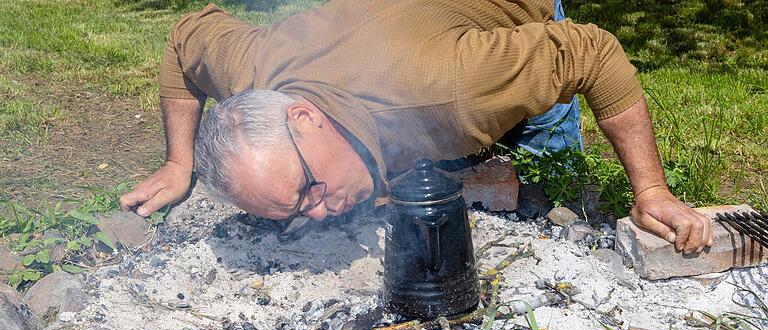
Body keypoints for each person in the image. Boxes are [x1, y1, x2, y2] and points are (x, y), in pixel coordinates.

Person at [119, 0, 713, 254]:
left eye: (309, 191)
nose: (319, 213)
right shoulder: (253, 70)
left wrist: (651, 192)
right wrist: (179, 164)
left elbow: (594, 54)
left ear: (305, 116)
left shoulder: (455, 87)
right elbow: (187, 34)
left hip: (494, 19)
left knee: (548, 173)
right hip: (395, 27)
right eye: (297, 212)